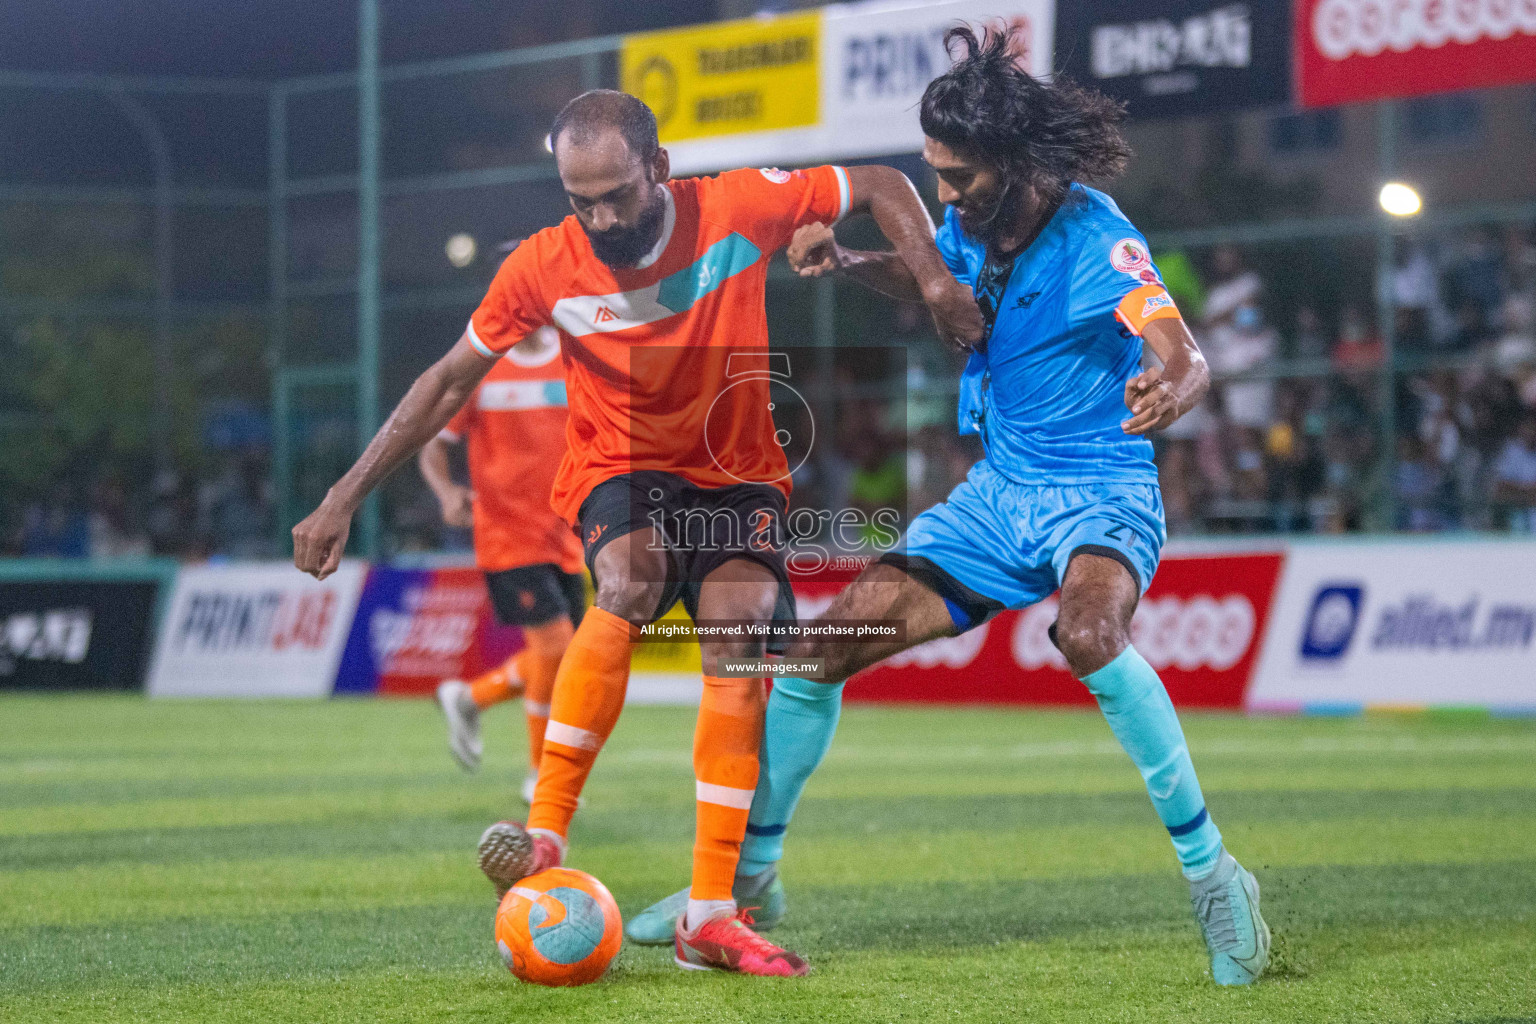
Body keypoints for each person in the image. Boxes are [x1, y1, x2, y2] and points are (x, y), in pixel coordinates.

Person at [625, 25, 1271, 987]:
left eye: (958, 176)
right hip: (995, 500)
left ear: (1014, 163)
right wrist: (849, 263)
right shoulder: (974, 226)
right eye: (936, 173)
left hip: (1097, 487)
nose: (943, 194)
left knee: (1090, 634)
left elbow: (1176, 344)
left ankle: (1216, 876)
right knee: (814, 652)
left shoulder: (1099, 236)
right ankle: (749, 880)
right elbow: (939, 281)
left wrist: (1177, 383)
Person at [291, 89, 981, 977]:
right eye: (581, 200)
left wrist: (934, 281)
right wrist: (344, 495)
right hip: (618, 471)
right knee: (630, 582)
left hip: (739, 479)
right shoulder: (544, 265)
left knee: (742, 637)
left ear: (659, 167)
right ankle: (545, 836)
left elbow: (884, 180)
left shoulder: (737, 204)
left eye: (617, 193)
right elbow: (447, 381)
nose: (602, 216)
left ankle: (708, 916)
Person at [418, 325, 586, 801]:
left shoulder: (575, 359)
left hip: (567, 534)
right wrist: (448, 492)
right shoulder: (481, 370)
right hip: (506, 537)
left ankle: (470, 698)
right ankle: (541, 776)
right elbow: (432, 443)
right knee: (554, 648)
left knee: (564, 658)